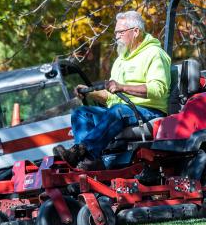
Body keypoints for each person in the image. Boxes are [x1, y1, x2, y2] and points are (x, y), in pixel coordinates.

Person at [54, 11, 171, 170]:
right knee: (81, 113)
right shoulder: (120, 60)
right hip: (122, 111)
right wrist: (89, 92)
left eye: (120, 32)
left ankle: (84, 154)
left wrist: (122, 87)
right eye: (115, 33)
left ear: (135, 31)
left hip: (150, 110)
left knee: (118, 111)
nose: (116, 37)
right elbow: (112, 97)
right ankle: (87, 163)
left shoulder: (154, 54)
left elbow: (158, 90)